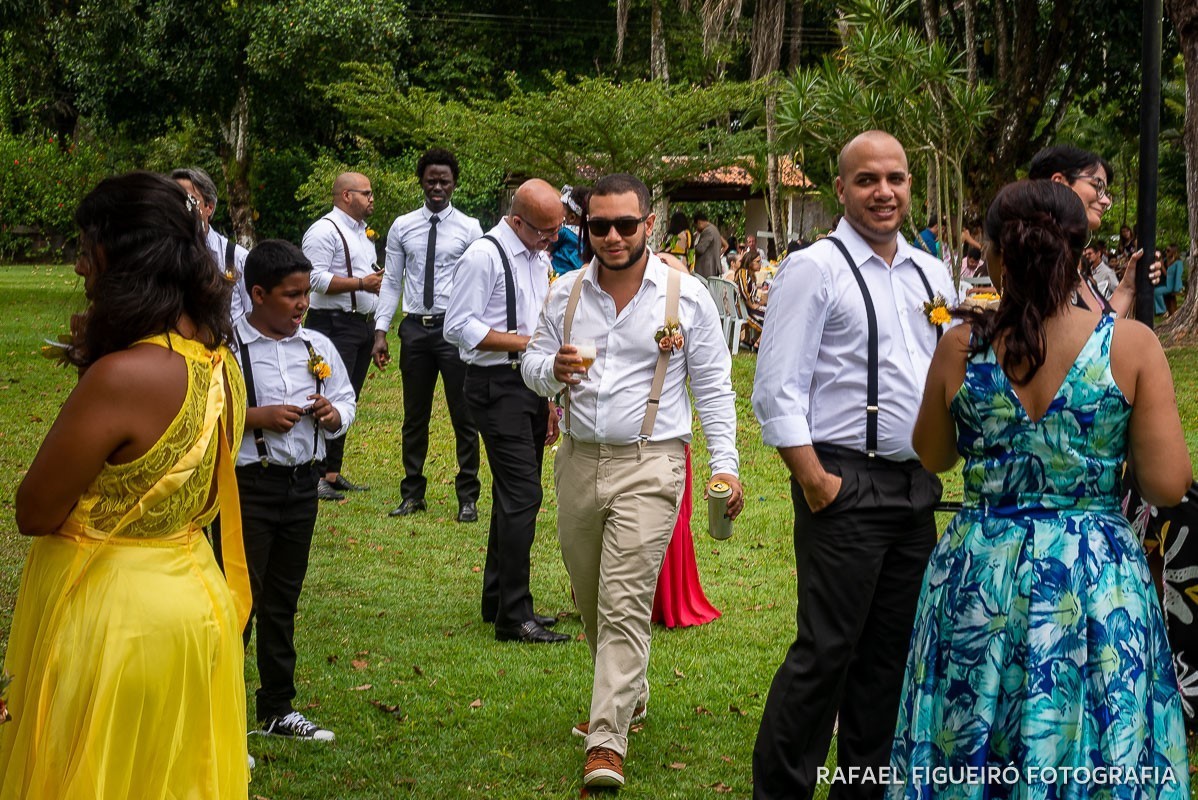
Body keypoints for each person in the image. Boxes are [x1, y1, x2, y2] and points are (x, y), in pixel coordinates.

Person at [889, 179, 1191, 796]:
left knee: (973, 730)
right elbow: (1167, 484)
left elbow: (933, 455)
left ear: (994, 256)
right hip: (1093, 575)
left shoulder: (962, 346)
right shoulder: (1128, 345)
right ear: (1079, 255)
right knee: (1096, 730)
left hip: (982, 571)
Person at [2, 171, 251, 796]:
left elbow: (35, 510)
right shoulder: (221, 360)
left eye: (87, 249)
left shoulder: (123, 376)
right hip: (195, 605)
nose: (80, 267)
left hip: (114, 617)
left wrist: (95, 373)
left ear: (123, 257)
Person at [751, 131, 955, 800]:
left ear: (909, 184)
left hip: (914, 489)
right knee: (826, 654)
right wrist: (815, 481)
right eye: (867, 180)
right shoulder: (815, 268)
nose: (883, 191)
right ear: (841, 189)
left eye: (895, 178)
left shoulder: (932, 273)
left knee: (889, 660)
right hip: (843, 482)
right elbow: (776, 388)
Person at [522, 173, 743, 789]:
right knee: (592, 597)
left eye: (625, 224)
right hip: (577, 459)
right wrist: (551, 369)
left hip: (653, 460)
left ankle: (606, 739)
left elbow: (714, 388)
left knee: (624, 601)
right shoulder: (564, 293)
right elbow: (530, 366)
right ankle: (630, 693)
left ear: (649, 223)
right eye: (599, 226)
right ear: (585, 228)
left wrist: (725, 464)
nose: (612, 237)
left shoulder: (686, 297)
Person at [233, 240, 357, 743]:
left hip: (301, 485)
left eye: (306, 293)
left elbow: (345, 398)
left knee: (283, 599)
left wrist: (333, 414)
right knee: (239, 601)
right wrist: (254, 418)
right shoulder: (230, 349)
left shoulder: (316, 346)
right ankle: (221, 716)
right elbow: (203, 413)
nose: (303, 303)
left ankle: (277, 708)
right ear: (258, 294)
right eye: (291, 295)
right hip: (247, 487)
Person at [443, 178, 569, 644]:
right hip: (496, 384)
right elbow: (458, 326)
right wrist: (527, 344)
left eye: (556, 230)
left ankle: (497, 598)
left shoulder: (537, 257)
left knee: (512, 495)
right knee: (523, 496)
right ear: (517, 221)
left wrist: (548, 399)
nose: (551, 240)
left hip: (530, 384)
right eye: (544, 231)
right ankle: (514, 617)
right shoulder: (484, 255)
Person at [373, 148, 484, 522]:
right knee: (414, 416)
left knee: (463, 416)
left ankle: (467, 497)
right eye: (431, 180)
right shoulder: (403, 226)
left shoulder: (470, 228)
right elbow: (392, 280)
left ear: (454, 184)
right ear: (421, 181)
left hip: (454, 331)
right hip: (415, 330)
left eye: (444, 181)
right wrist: (381, 330)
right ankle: (412, 493)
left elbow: (479, 282)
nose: (438, 187)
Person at [301, 171, 381, 501]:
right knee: (326, 397)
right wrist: (361, 284)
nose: (372, 198)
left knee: (347, 399)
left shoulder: (362, 233)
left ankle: (332, 471)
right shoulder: (324, 230)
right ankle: (315, 474)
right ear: (347, 196)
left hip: (360, 325)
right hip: (333, 325)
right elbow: (313, 279)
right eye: (366, 193)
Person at [1028, 145, 1157, 317]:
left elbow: (1101, 326)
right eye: (1097, 186)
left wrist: (1128, 286)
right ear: (1058, 183)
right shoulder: (1033, 256)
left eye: (1105, 191)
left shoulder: (1069, 259)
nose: (1106, 201)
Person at [171, 166, 251, 321]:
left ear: (209, 207)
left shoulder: (237, 258)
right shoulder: (161, 257)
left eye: (188, 200)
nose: (178, 206)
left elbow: (253, 319)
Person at [550, 185, 590, 277]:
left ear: (572, 217)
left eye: (561, 210)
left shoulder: (564, 232)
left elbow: (546, 246)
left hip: (559, 276)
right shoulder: (589, 236)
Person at [734, 248, 766, 349]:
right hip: (745, 310)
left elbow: (751, 294)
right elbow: (743, 291)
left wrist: (759, 302)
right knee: (772, 315)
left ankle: (753, 341)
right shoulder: (743, 273)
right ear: (750, 262)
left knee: (772, 312)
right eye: (758, 262)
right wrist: (753, 305)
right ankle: (757, 343)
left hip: (748, 307)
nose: (760, 264)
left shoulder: (750, 275)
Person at [692, 212, 725, 278]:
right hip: (712, 267)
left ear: (699, 222)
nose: (697, 229)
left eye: (696, 226)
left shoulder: (708, 231)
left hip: (707, 268)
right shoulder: (714, 229)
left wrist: (692, 247)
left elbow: (700, 249)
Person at [1155, 244, 1185, 315]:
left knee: (1156, 292)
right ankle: (1163, 310)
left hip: (1172, 286)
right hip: (1165, 284)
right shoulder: (1165, 260)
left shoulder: (1178, 263)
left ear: (1174, 252)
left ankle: (1163, 311)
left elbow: (1178, 276)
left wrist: (1177, 289)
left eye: (1168, 251)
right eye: (1165, 250)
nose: (1166, 252)